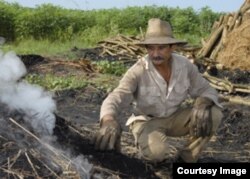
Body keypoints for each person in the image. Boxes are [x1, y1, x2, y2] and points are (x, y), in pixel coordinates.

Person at [93, 18, 223, 163]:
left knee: (214, 114)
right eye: (151, 48)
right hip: (147, 121)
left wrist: (203, 101)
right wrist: (108, 120)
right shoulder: (138, 70)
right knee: (157, 154)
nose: (155, 54)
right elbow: (117, 96)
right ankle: (151, 151)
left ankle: (186, 159)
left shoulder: (185, 66)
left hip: (174, 117)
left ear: (172, 47)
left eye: (161, 48)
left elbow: (207, 89)